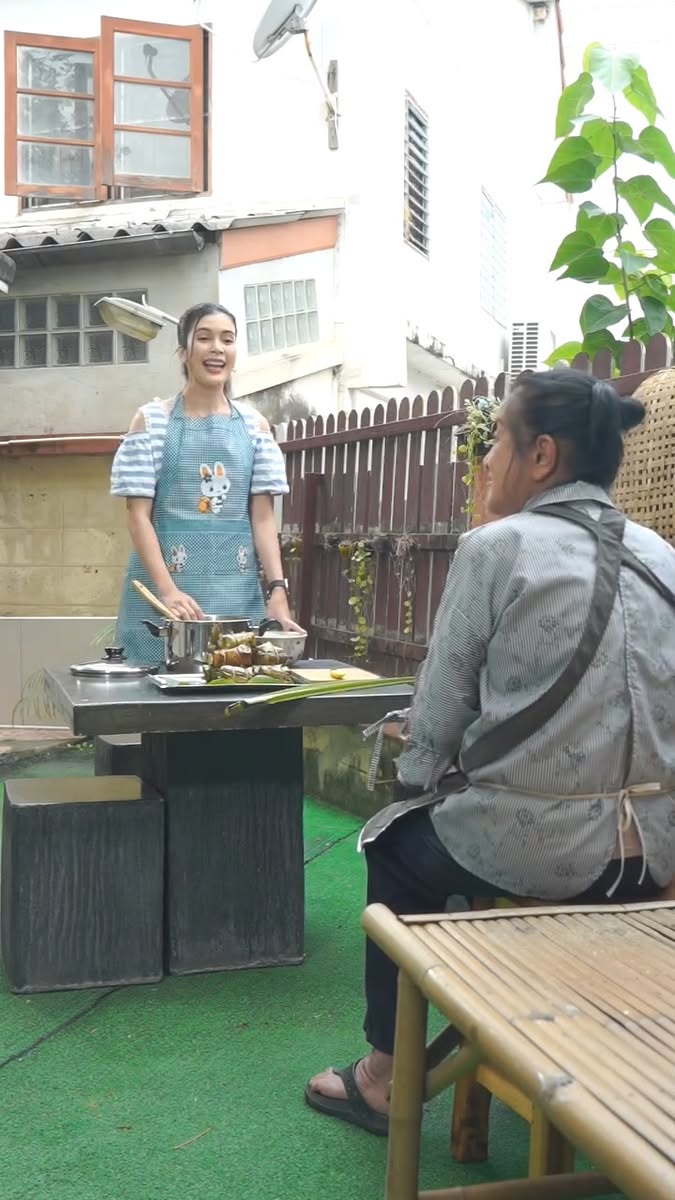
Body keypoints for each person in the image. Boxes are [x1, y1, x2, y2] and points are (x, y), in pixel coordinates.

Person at [305, 368, 675, 1136]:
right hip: (657, 854)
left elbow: (438, 716)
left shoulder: (494, 547)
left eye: (497, 440)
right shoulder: (662, 557)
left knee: (395, 846)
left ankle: (384, 1075)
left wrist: (413, 784)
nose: (484, 458)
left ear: (541, 456)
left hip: (546, 854)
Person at [110, 302, 303, 664]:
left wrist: (278, 589)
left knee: (233, 685)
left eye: (227, 340)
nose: (217, 348)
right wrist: (168, 591)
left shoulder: (255, 427)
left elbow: (262, 518)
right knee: (156, 692)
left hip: (237, 599)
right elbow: (137, 516)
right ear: (183, 352)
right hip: (162, 603)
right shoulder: (151, 422)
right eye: (204, 338)